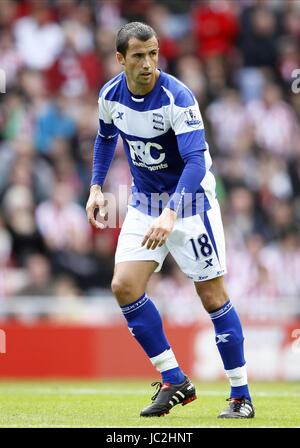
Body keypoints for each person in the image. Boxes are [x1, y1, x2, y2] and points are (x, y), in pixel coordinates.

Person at [86, 22, 255, 419]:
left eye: (153, 53)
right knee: (124, 286)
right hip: (146, 204)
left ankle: (240, 395)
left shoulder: (178, 97)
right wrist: (96, 187)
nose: (148, 63)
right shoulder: (110, 95)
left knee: (212, 296)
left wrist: (171, 212)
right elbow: (105, 137)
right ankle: (175, 379)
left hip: (191, 205)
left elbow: (196, 162)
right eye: (139, 56)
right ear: (120, 59)